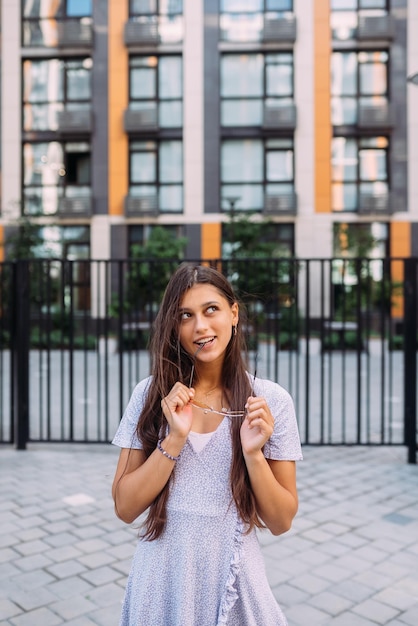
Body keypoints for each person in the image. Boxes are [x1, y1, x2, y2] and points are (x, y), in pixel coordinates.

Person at [112, 263, 303, 626]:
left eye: (210, 309)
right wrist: (174, 438)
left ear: (234, 313)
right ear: (174, 325)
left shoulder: (270, 402)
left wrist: (252, 454)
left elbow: (280, 521)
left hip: (234, 580)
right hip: (162, 583)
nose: (200, 326)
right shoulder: (152, 396)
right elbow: (125, 506)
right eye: (185, 315)